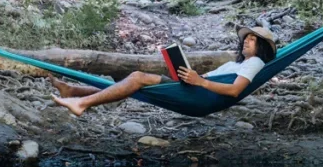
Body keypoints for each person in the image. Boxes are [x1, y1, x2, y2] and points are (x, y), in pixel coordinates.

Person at [50, 26, 277, 116]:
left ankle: (81, 103)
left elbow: (235, 90)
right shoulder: (239, 63)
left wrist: (200, 82)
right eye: (245, 38)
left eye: (252, 39)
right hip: (195, 91)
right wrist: (192, 78)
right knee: (136, 85)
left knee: (138, 78)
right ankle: (74, 91)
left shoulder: (256, 62)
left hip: (200, 97)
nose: (246, 41)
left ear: (262, 46)